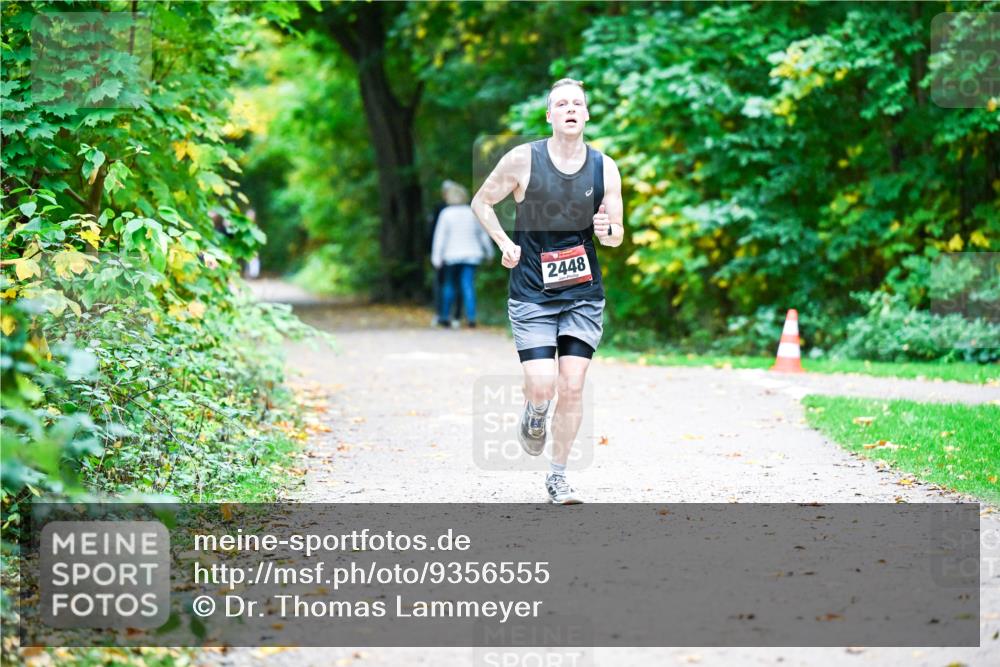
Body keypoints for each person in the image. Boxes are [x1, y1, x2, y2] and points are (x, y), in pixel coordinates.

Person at [471, 78, 624, 504]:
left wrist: (607, 229)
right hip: (532, 293)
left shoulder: (604, 167)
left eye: (578, 103)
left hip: (583, 293)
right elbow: (481, 202)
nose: (571, 108)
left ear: (587, 114)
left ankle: (558, 476)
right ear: (550, 115)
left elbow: (616, 236)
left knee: (572, 385)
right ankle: (535, 412)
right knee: (543, 386)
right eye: (562, 103)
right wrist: (504, 243)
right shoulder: (523, 159)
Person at [431, 181, 495, 328]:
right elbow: (483, 234)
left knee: (449, 285)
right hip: (472, 255)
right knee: (467, 285)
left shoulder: (446, 214)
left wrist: (436, 258)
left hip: (451, 256)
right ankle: (471, 318)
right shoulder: (472, 212)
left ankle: (445, 316)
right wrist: (489, 253)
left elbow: (440, 237)